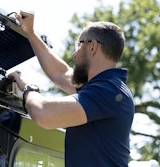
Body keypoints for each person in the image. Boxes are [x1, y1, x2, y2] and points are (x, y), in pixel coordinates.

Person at [8, 10, 135, 167]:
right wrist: (31, 33)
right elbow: (61, 73)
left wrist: (29, 89)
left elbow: (43, 114)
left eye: (79, 44)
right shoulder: (106, 86)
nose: (75, 54)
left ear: (93, 46)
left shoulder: (108, 91)